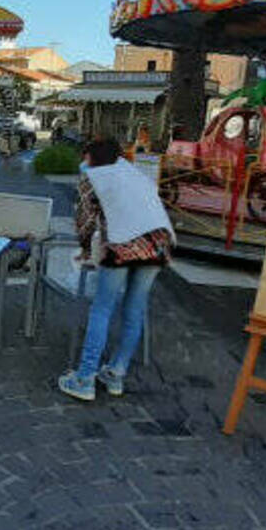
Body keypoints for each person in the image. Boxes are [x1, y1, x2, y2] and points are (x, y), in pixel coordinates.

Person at [58, 138, 174, 402]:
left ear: (91, 156)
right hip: (159, 243)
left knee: (102, 308)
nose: (83, 162)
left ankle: (85, 378)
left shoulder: (93, 175)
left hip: (123, 244)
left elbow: (85, 220)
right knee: (134, 311)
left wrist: (87, 250)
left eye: (85, 156)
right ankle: (115, 374)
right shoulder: (133, 172)